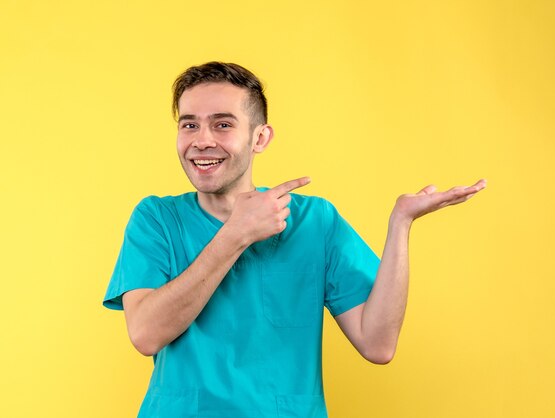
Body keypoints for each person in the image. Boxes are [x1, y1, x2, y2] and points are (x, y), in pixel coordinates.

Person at [103, 61, 486, 417]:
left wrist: (401, 224)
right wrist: (237, 233)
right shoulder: (156, 219)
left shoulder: (314, 222)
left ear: (260, 138)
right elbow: (146, 334)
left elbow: (378, 344)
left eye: (222, 125)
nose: (202, 140)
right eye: (189, 125)